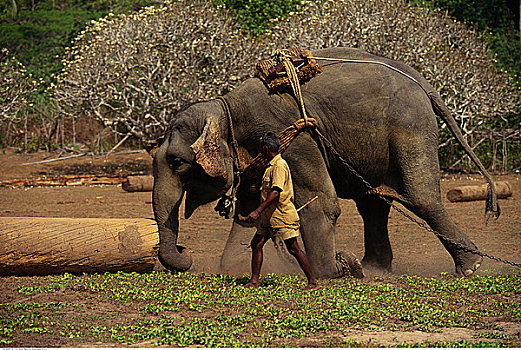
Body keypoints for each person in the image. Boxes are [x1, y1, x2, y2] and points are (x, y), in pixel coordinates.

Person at [244, 132, 318, 290]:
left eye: (260, 148)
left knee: (293, 248)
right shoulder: (270, 165)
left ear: (264, 149)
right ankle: (254, 281)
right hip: (269, 217)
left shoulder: (278, 166)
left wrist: (257, 211)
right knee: (256, 244)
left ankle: (313, 282)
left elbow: (276, 192)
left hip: (281, 216)